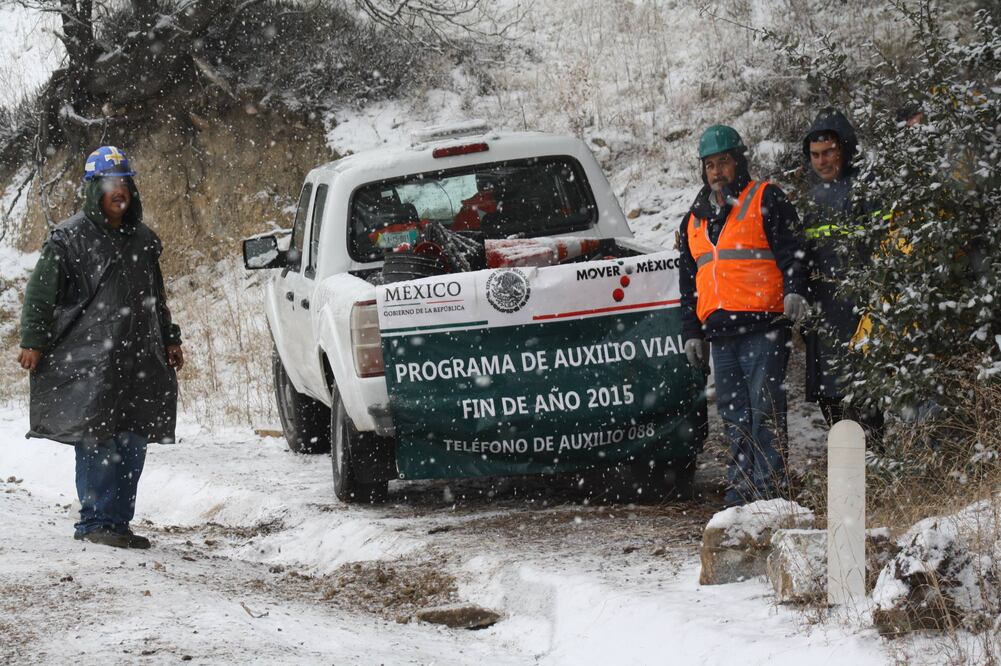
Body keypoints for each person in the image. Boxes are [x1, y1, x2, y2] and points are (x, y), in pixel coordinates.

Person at [18, 145, 184, 549]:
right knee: (97, 438)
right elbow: (40, 295)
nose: (118, 191)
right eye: (110, 183)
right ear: (94, 189)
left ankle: (118, 522)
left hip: (138, 357)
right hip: (89, 359)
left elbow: (155, 297)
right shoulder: (68, 239)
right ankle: (94, 521)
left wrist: (170, 336)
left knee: (132, 438)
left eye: (124, 182)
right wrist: (34, 341)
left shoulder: (143, 239)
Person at [678, 125, 809, 507]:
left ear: (739, 163)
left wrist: (795, 288)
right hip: (720, 332)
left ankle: (770, 493)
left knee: (764, 411)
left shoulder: (766, 198)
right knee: (734, 418)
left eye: (723, 162)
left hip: (763, 325)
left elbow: (793, 249)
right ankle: (740, 493)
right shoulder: (695, 219)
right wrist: (692, 332)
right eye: (709, 165)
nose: (716, 172)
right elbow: (690, 283)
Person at [800, 108, 884, 447]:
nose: (822, 161)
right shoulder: (812, 198)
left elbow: (884, 246)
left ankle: (876, 470)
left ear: (845, 148)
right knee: (831, 402)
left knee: (866, 401)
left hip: (859, 308)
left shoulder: (866, 189)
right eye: (815, 155)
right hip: (824, 312)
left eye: (829, 152)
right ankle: (845, 477)